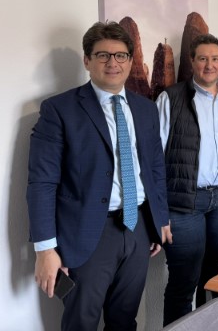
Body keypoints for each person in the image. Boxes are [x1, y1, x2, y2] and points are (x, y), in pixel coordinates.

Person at [27, 22, 171, 330]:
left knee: (125, 320)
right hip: (87, 234)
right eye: (103, 55)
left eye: (120, 55)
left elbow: (155, 168)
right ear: (87, 60)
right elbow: (42, 182)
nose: (112, 63)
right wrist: (45, 249)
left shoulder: (146, 110)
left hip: (137, 227)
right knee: (82, 322)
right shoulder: (59, 109)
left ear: (130, 61)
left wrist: (159, 219)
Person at [156, 34, 218, 325]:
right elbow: (153, 157)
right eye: (202, 58)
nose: (209, 65)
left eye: (215, 58)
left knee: (213, 274)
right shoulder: (171, 99)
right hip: (184, 202)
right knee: (184, 278)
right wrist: (158, 211)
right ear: (192, 62)